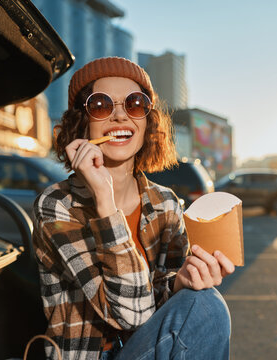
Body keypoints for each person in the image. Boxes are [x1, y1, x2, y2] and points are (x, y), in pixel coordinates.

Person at [32, 56, 235, 360]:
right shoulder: (58, 205)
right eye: (101, 105)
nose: (119, 117)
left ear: (147, 122)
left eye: (134, 104)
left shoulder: (165, 203)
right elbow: (132, 315)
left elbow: (158, 302)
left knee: (206, 302)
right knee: (207, 306)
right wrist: (104, 198)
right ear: (83, 121)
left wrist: (180, 283)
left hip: (148, 348)